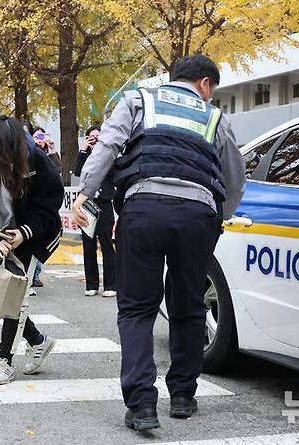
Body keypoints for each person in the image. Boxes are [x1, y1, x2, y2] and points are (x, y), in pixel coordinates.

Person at [72, 55, 246, 431]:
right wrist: (222, 214)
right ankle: (182, 396)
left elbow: (107, 146)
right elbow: (233, 179)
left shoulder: (138, 101)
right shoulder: (216, 117)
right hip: (197, 218)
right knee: (187, 305)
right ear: (205, 84)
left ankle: (141, 405)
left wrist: (84, 193)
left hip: (144, 210)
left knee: (136, 308)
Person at [0, 115, 63, 385]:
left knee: (15, 294)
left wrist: (25, 232)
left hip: (32, 235)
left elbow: (50, 204)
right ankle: (38, 341)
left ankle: (3, 360)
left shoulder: (36, 160)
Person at [74, 124, 116, 297]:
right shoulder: (85, 155)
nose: (95, 140)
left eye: (98, 137)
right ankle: (91, 284)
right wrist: (84, 150)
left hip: (105, 202)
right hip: (87, 204)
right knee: (88, 245)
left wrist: (101, 149)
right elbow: (78, 171)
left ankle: (111, 285)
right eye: (92, 137)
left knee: (107, 245)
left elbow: (114, 173)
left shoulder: (109, 154)